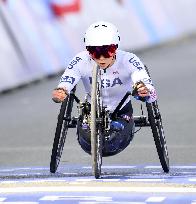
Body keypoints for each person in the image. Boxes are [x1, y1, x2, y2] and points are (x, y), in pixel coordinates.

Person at [52, 21, 157, 156]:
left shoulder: (129, 59)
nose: (101, 58)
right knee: (89, 139)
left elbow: (145, 82)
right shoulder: (80, 60)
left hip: (121, 112)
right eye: (95, 52)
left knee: (112, 138)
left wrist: (144, 90)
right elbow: (68, 78)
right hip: (91, 112)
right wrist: (62, 90)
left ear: (116, 48)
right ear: (88, 50)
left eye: (107, 51)